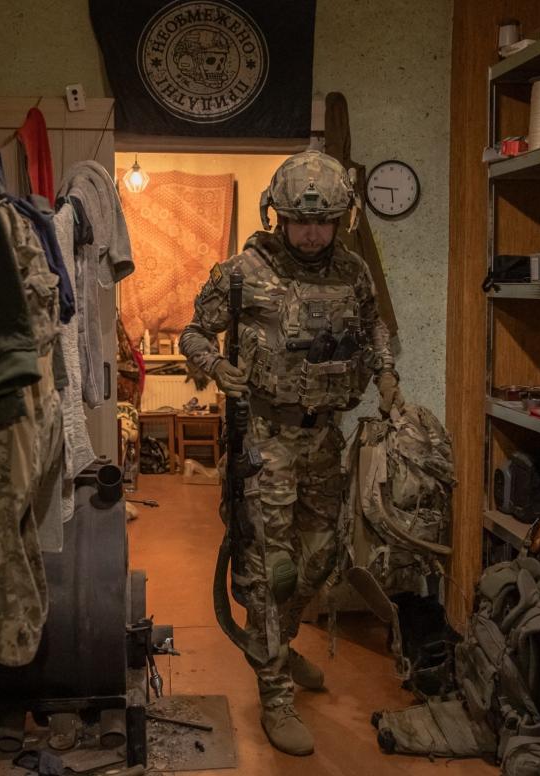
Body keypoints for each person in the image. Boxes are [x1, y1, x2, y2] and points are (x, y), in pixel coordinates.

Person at [180, 150, 403, 756]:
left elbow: (375, 325)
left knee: (321, 558)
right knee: (270, 570)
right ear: (276, 216)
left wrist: (385, 374)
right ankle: (274, 693)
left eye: (325, 221)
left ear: (341, 219)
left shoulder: (353, 272)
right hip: (266, 441)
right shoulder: (243, 270)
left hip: (324, 439)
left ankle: (285, 640)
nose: (311, 232)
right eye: (301, 221)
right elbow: (192, 334)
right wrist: (217, 366)